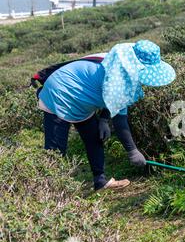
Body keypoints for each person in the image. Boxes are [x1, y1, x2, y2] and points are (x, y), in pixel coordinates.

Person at [37, 40, 176, 191]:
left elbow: (112, 100)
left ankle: (101, 182)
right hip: (60, 93)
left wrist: (103, 120)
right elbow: (120, 120)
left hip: (82, 97)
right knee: (56, 149)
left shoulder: (123, 64)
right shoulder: (118, 76)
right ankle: (46, 189)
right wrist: (132, 151)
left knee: (95, 138)